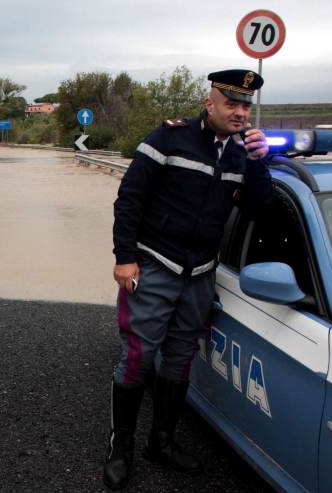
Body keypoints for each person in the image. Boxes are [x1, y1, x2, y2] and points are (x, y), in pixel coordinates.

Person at [103, 69, 273, 489]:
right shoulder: (169, 138)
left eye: (244, 106)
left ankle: (161, 442)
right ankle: (120, 447)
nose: (239, 112)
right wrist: (125, 258)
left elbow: (258, 209)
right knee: (138, 357)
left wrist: (258, 163)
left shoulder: (241, 153)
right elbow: (129, 199)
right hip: (155, 264)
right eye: (230, 103)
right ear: (209, 103)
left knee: (179, 360)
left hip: (200, 273)